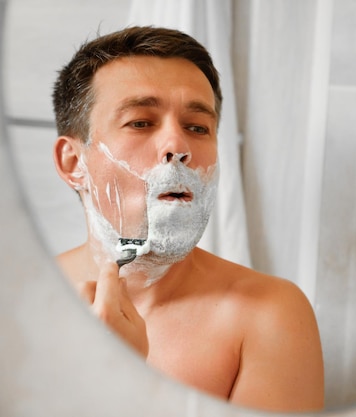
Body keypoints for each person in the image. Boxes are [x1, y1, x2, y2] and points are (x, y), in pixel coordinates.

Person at [51, 26, 324, 412]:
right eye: (141, 122)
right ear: (74, 162)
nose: (178, 147)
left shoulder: (268, 315)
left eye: (197, 128)